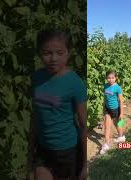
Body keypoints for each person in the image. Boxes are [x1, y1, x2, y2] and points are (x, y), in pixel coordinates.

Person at [28, 28, 87, 180]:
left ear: (69, 52)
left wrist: (85, 165)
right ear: (39, 53)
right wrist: (29, 158)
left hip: (67, 152)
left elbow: (83, 125)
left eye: (60, 53)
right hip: (42, 149)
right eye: (47, 53)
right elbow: (35, 117)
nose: (53, 58)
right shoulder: (37, 78)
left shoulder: (75, 83)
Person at [100, 70, 126, 154]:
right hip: (108, 109)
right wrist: (103, 108)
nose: (110, 80)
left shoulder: (117, 88)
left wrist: (121, 113)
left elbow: (121, 101)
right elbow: (105, 98)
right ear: (106, 78)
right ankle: (106, 144)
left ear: (116, 78)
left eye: (112, 78)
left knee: (118, 124)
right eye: (108, 78)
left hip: (115, 110)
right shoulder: (106, 86)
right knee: (107, 126)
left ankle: (121, 136)